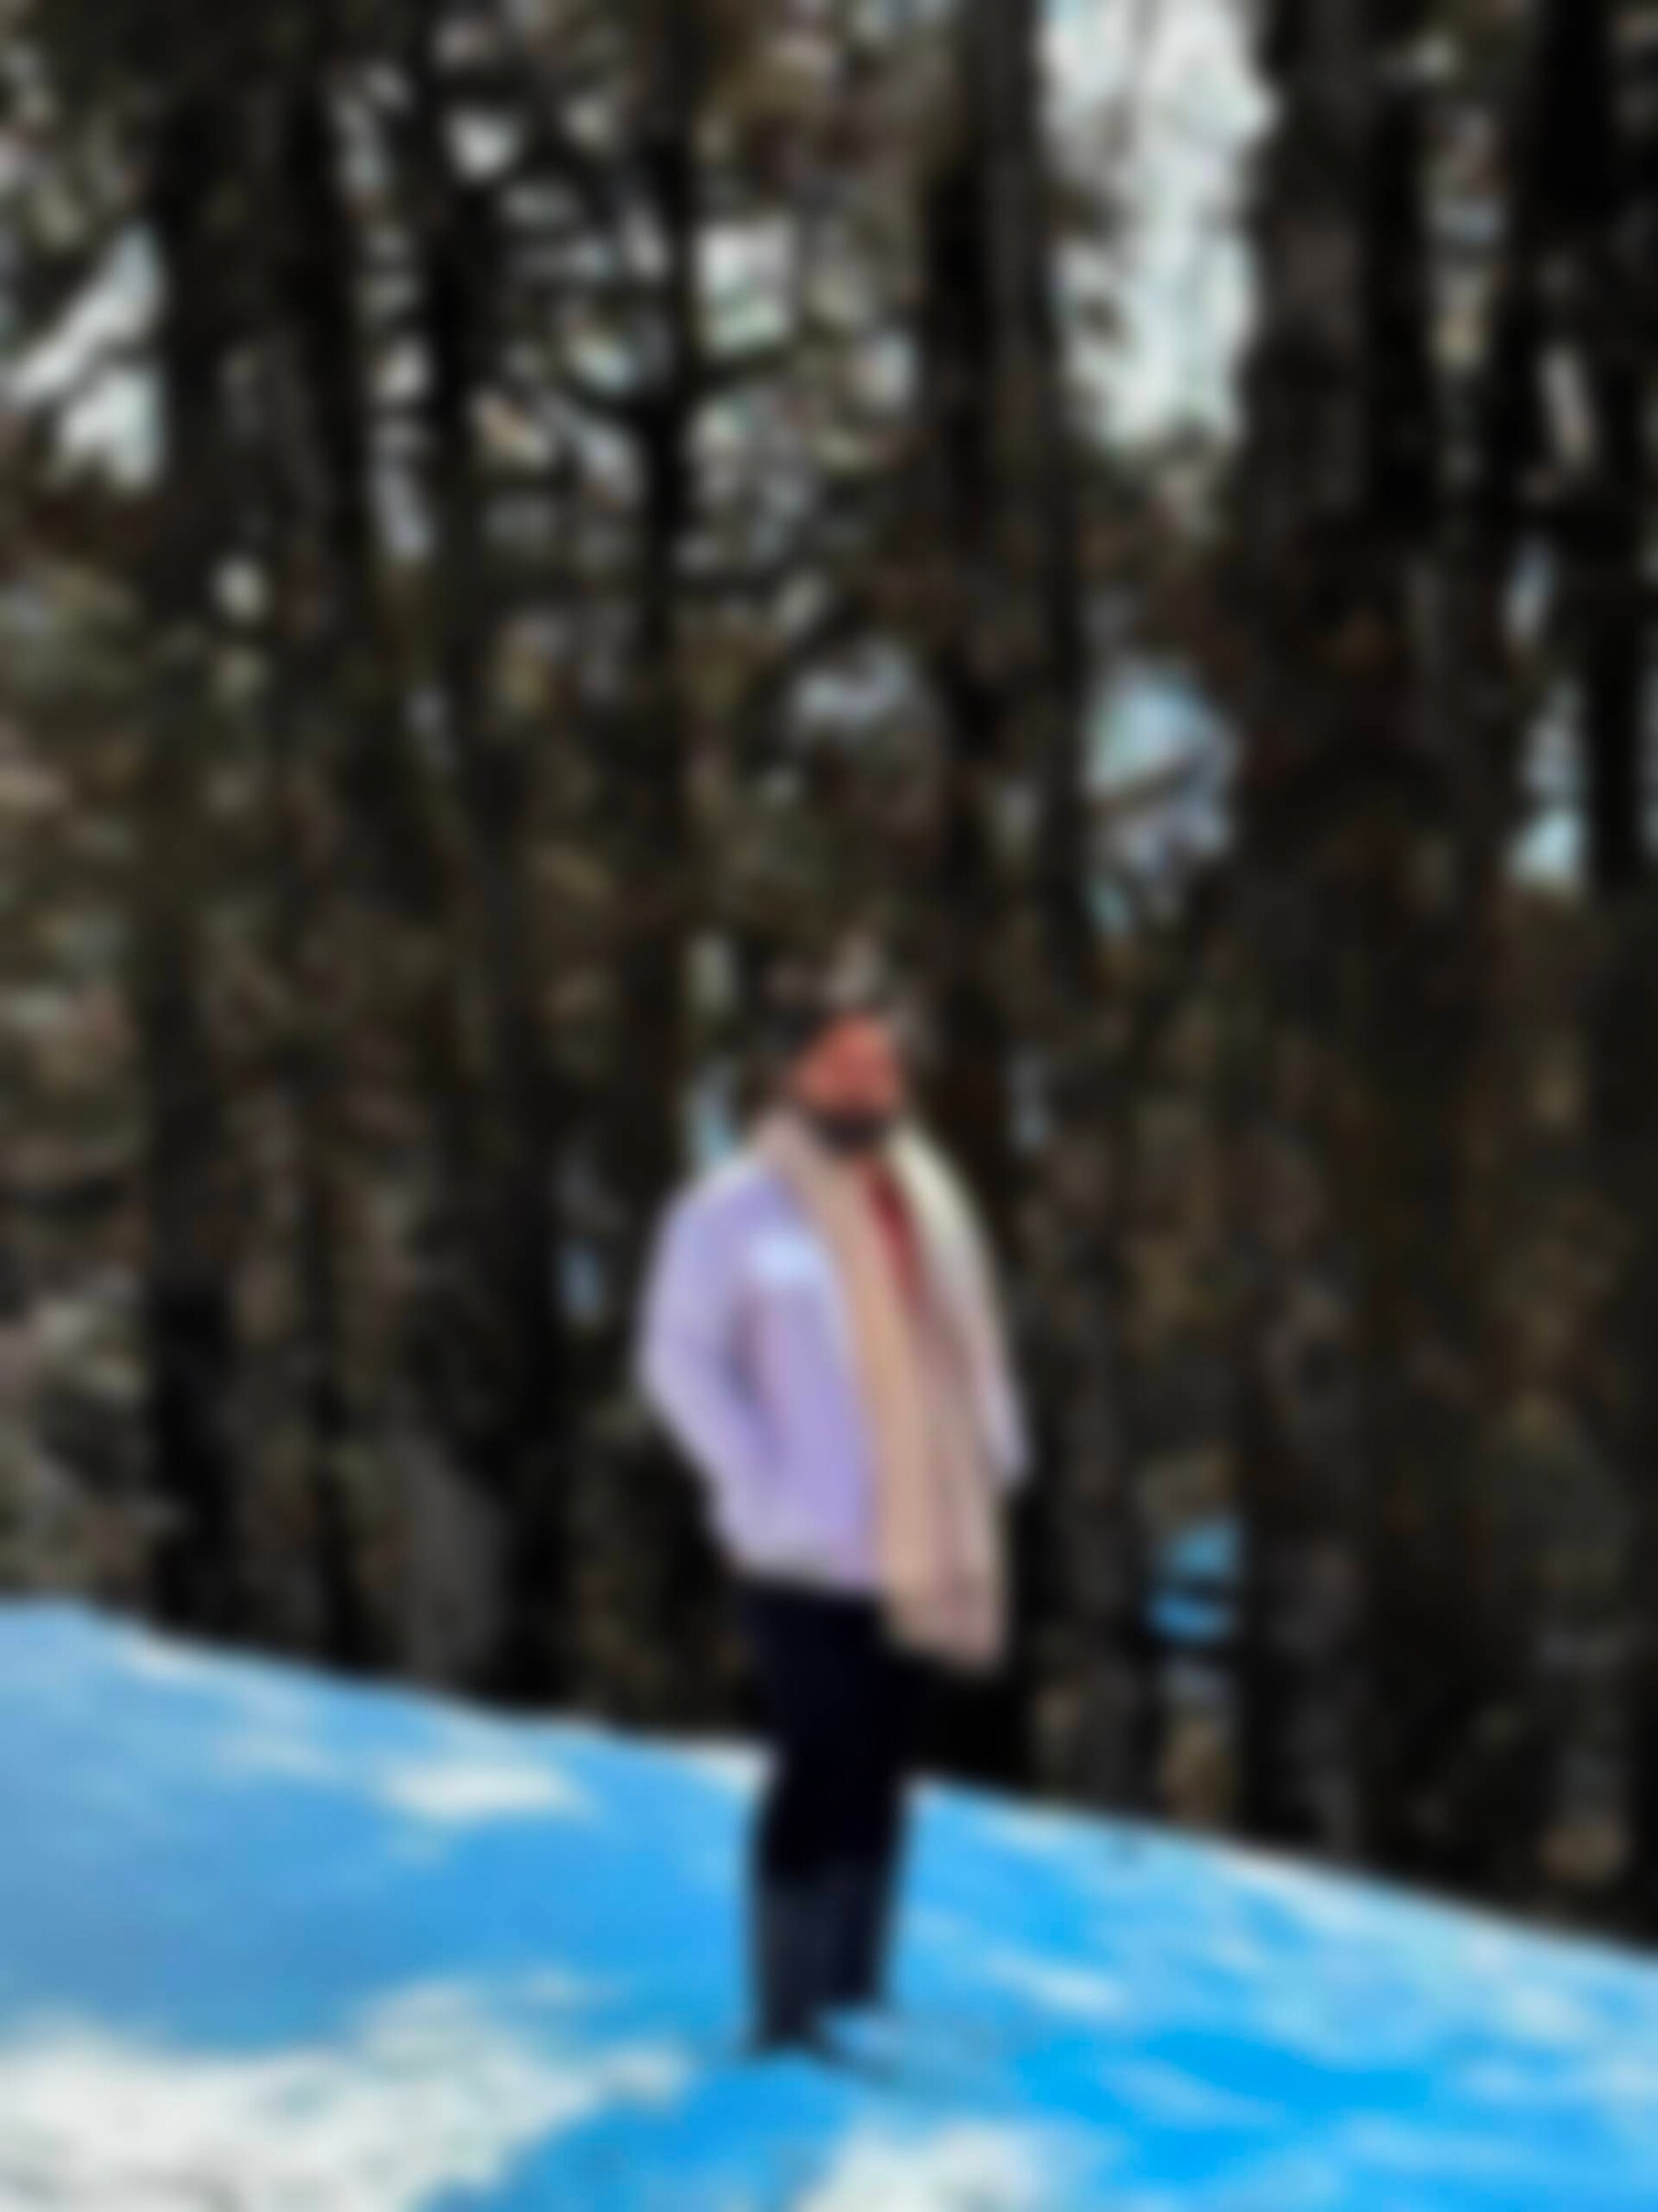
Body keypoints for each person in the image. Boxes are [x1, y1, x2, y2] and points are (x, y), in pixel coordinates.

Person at [636, 961, 1028, 2054]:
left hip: (921, 1531)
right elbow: (677, 1360)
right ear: (792, 1072)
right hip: (799, 1547)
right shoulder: (731, 1209)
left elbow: (973, 1341)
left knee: (886, 1765)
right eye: (838, 1059)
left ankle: (858, 1993)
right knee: (817, 1759)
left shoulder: (926, 1196)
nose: (863, 1078)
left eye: (879, 1060)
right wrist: (757, 1478)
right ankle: (787, 2016)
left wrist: (991, 1453)